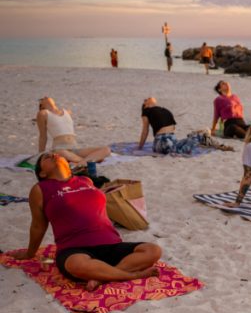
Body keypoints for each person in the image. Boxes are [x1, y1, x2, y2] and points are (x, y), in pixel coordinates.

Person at [7, 152, 161, 289]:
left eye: (55, 153)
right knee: (77, 265)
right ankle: (131, 275)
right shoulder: (40, 189)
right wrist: (30, 253)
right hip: (74, 249)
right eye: (47, 157)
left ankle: (103, 278)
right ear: (42, 173)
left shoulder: (85, 180)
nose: (53, 155)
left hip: (111, 244)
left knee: (153, 250)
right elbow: (38, 226)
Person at [35, 97, 111, 167]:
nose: (45, 97)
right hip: (60, 149)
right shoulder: (43, 113)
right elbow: (43, 136)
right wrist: (41, 155)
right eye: (43, 99)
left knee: (106, 149)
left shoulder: (66, 111)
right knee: (59, 153)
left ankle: (82, 162)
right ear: (41, 106)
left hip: (75, 149)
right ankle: (88, 161)